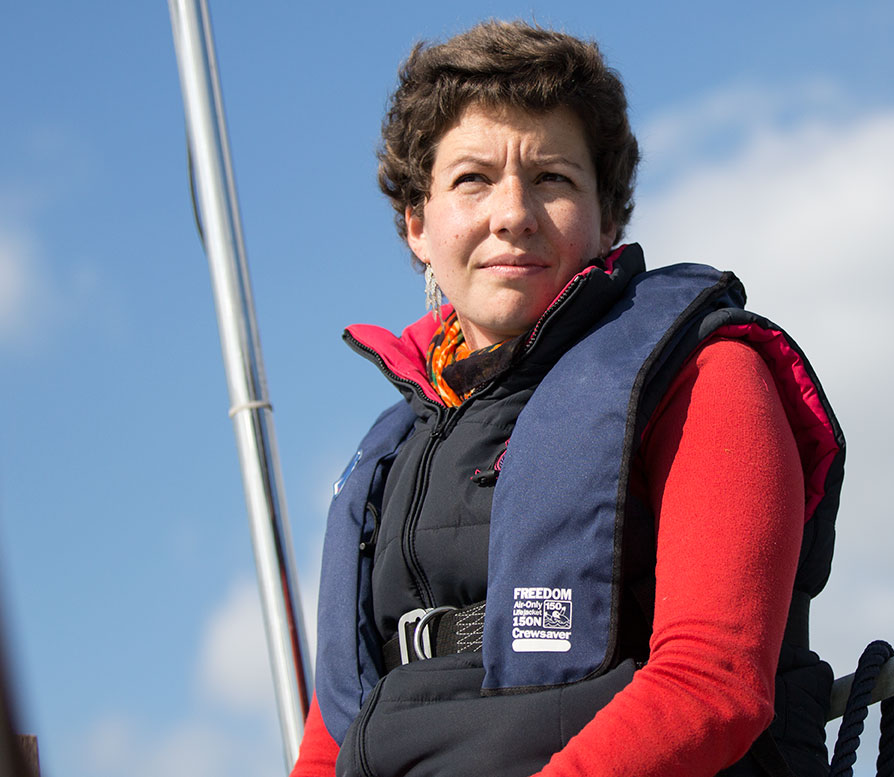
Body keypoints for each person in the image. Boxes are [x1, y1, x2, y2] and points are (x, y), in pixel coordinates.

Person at [290, 20, 844, 777]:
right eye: (472, 179)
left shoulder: (703, 373)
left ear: (608, 217)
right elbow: (327, 747)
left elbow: (712, 681)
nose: (512, 212)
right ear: (418, 224)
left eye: (551, 177)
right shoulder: (389, 455)